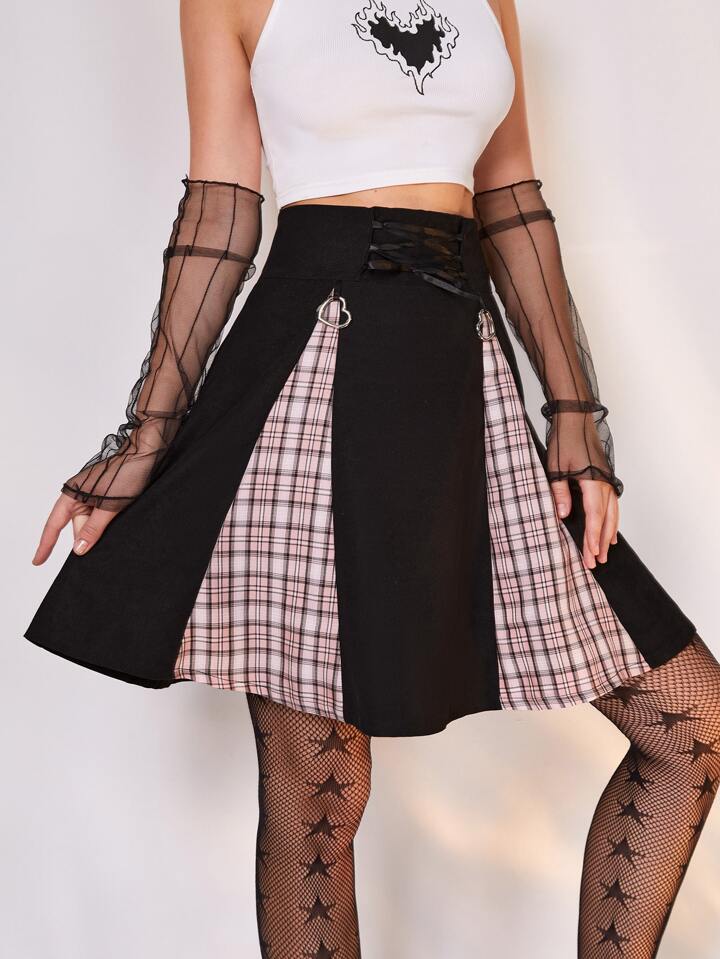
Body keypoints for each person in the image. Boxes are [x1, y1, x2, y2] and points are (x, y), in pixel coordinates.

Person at [25, 0, 719, 956]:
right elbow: (221, 214)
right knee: (320, 788)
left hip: (461, 381)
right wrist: (144, 435)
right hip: (310, 369)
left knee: (689, 727)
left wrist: (573, 414)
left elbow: (511, 197)